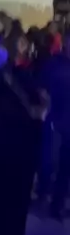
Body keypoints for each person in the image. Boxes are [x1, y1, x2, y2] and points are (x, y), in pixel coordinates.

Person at [36, 31, 70, 220]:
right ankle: (43, 193)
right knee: (48, 163)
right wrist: (45, 99)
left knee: (66, 166)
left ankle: (57, 204)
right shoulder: (54, 63)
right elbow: (41, 86)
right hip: (55, 119)